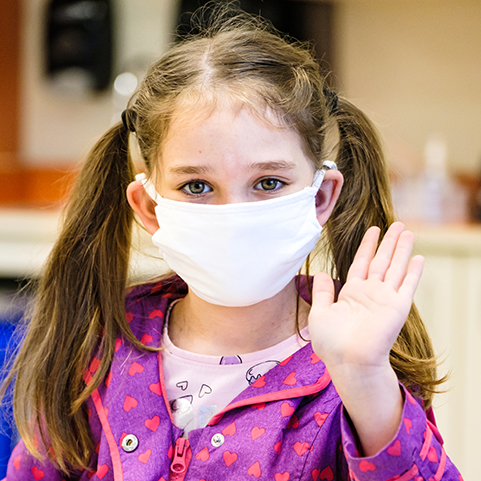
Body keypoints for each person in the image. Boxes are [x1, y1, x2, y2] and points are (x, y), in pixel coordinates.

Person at [2, 4, 463, 481]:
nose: (233, 217)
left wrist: (366, 380)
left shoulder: (355, 354)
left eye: (268, 183)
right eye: (197, 186)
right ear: (149, 207)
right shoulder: (99, 347)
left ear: (321, 196)